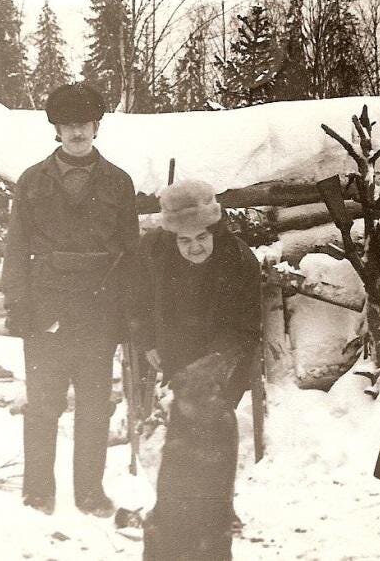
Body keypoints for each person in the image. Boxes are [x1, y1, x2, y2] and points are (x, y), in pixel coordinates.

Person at [1, 83, 139, 517]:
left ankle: (90, 494)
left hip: (98, 312)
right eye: (67, 125)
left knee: (95, 409)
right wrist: (18, 307)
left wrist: (129, 315)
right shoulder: (31, 181)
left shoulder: (118, 182)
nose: (76, 132)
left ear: (96, 127)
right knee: (43, 406)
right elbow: (16, 247)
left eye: (83, 124)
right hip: (47, 312)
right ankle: (38, 493)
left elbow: (131, 253)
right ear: (56, 131)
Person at [135, 179, 260, 560]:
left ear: (214, 229)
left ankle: (211, 540)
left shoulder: (237, 259)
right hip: (178, 364)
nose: (194, 247)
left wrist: (214, 370)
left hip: (221, 370)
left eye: (202, 237)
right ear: (172, 238)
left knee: (211, 459)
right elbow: (138, 301)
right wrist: (149, 342)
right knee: (179, 461)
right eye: (184, 240)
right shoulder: (155, 255)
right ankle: (170, 542)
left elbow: (246, 326)